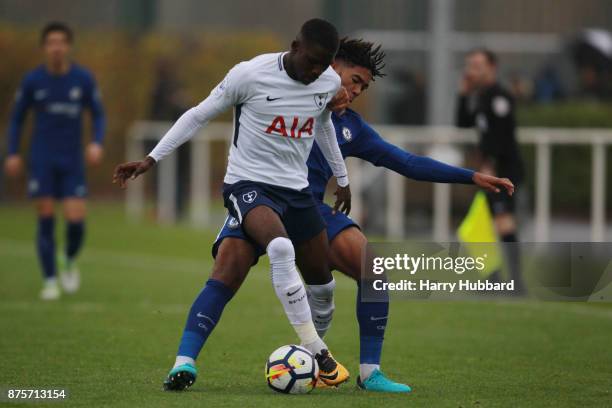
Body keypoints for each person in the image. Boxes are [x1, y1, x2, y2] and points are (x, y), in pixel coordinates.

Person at [174, 38, 515, 393]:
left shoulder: (350, 127)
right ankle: (184, 362)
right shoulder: (284, 91)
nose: (356, 91)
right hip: (258, 199)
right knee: (226, 272)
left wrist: (470, 176)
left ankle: (370, 373)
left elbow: (407, 162)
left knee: (373, 267)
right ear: (331, 66)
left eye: (363, 87)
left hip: (308, 211)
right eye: (354, 80)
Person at [113, 18, 352, 390]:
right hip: (248, 185)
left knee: (322, 285)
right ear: (294, 46)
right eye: (311, 62)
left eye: (324, 65)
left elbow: (322, 124)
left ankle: (312, 365)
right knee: (279, 247)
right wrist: (152, 158)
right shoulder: (249, 75)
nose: (316, 72)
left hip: (297, 192)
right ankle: (315, 351)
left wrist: (343, 176)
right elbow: (197, 115)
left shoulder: (328, 82)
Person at [4, 22, 106, 300]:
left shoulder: (82, 79)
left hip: (72, 161)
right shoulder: (33, 81)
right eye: (51, 42)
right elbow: (17, 119)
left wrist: (96, 142)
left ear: (69, 46)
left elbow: (98, 114)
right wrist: (12, 152)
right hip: (42, 159)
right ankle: (49, 280)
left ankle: (69, 258)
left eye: (61, 42)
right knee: (46, 218)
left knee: (76, 222)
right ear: (44, 47)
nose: (57, 47)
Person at [456, 48, 524, 291]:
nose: (471, 70)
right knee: (475, 228)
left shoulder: (499, 97)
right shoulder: (482, 96)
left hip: (502, 172)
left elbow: (503, 138)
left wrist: (491, 163)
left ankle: (515, 283)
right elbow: (463, 123)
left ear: (491, 67)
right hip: (490, 172)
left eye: (476, 65)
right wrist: (463, 95)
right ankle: (494, 281)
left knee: (502, 223)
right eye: (469, 65)